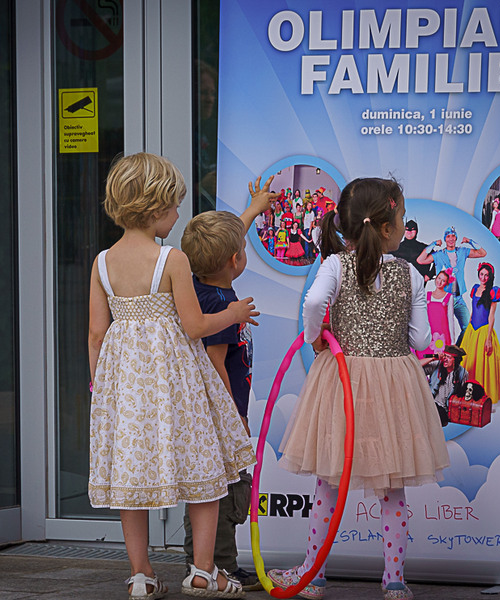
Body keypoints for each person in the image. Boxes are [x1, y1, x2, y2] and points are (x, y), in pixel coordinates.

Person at [87, 152, 258, 599]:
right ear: (155, 207)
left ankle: (141, 576)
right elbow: (195, 326)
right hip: (177, 386)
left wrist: (100, 389)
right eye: (175, 206)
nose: (178, 215)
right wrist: (234, 313)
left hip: (126, 391)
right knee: (204, 470)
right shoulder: (172, 259)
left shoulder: (102, 262)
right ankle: (203, 571)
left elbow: (96, 333)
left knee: (131, 481)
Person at [270, 177, 449, 600]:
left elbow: (313, 304)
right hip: (393, 384)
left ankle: (313, 574)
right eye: (402, 217)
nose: (404, 225)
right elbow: (422, 340)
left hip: (343, 380)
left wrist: (315, 337)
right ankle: (394, 580)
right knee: (392, 484)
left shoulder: (335, 265)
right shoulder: (410, 273)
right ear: (387, 227)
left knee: (329, 482)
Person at [179, 177, 276, 592]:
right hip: (220, 416)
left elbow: (224, 243)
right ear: (237, 260)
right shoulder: (220, 307)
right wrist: (234, 417)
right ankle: (220, 567)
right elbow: (215, 363)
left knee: (212, 484)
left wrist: (253, 209)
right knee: (225, 488)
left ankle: (207, 562)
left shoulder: (198, 287)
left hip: (207, 414)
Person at [416, 226, 486, 344]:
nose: (451, 239)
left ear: (456, 238)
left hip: (458, 299)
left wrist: (469, 241)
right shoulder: (439, 255)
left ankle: (455, 350)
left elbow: (482, 253)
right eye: (448, 236)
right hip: (443, 298)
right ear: (445, 239)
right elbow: (420, 260)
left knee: (467, 328)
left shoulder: (462, 252)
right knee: (439, 329)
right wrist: (433, 244)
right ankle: (437, 351)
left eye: (453, 236)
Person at [459, 262, 500, 407]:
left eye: (486, 275)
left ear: (490, 276)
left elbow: (491, 316)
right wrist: (468, 329)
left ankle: (482, 396)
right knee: (468, 362)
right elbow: (473, 311)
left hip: (483, 331)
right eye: (481, 274)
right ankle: (466, 394)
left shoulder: (493, 291)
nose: (483, 277)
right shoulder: (475, 288)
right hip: (472, 330)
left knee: (483, 364)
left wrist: (488, 339)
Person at [415, 269, 458, 359]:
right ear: (436, 278)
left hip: (442, 335)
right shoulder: (427, 295)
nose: (440, 282)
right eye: (439, 278)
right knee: (424, 359)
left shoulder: (449, 297)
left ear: (446, 283)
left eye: (443, 280)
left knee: (440, 359)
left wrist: (453, 342)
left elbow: (450, 319)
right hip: (428, 333)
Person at [422, 345, 469, 427]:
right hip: (431, 404)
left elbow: (462, 394)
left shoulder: (463, 373)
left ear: (456, 360)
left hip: (446, 410)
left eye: (449, 357)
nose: (445, 359)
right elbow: (415, 367)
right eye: (444, 356)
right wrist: (433, 358)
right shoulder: (437, 365)